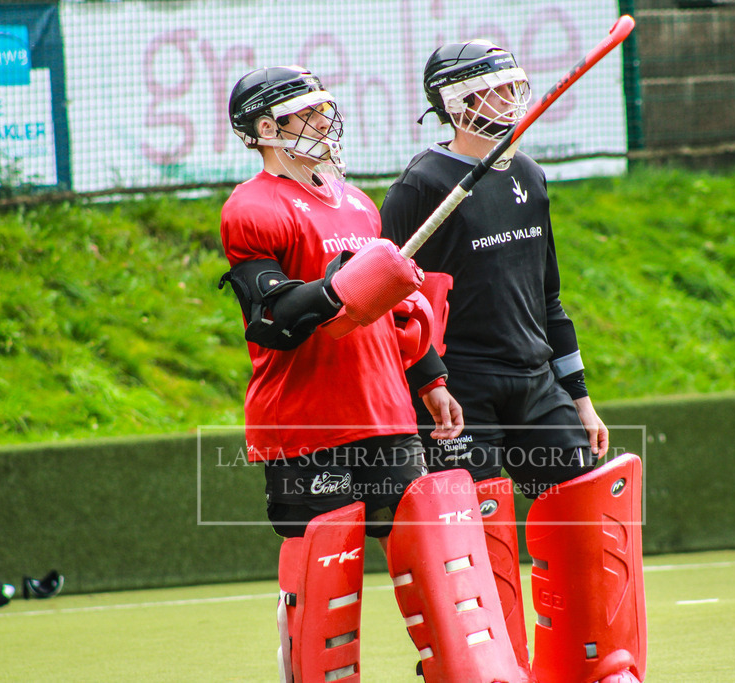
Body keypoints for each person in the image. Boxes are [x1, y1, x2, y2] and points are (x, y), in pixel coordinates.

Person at [219, 65, 530, 682]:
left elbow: (399, 312)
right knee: (325, 574)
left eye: (322, 111)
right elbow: (269, 319)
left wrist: (431, 380)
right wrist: (336, 289)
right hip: (308, 422)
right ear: (264, 129)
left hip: (387, 415)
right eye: (305, 115)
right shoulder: (251, 207)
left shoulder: (359, 204)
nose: (322, 123)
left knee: (436, 562)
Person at [379, 42, 647, 683]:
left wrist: (579, 396)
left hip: (536, 385)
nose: (510, 101)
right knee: (476, 546)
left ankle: (596, 664)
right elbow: (389, 301)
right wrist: (427, 381)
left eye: (513, 88)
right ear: (457, 103)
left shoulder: (528, 173)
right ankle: (492, 670)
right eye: (494, 90)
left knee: (584, 519)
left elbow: (549, 299)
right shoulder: (421, 186)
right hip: (461, 392)